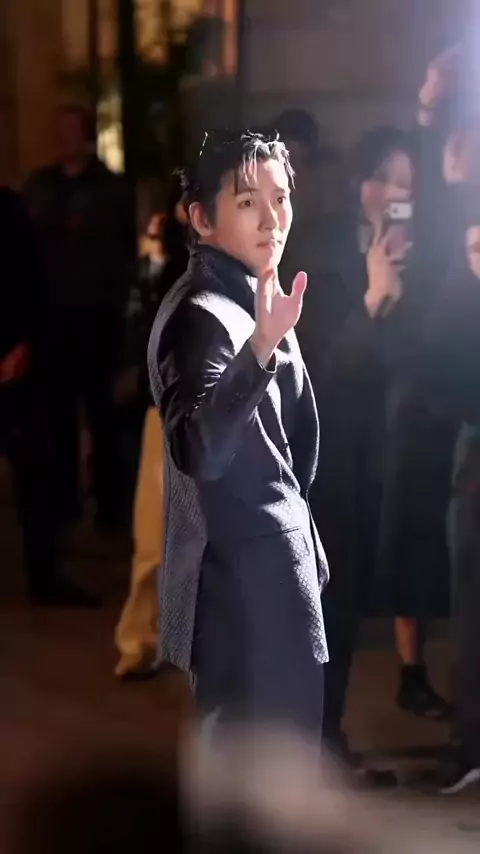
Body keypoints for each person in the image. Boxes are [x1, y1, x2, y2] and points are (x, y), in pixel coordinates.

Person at [148, 129, 328, 733]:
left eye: (280, 198)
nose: (272, 219)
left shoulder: (249, 294)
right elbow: (198, 449)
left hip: (267, 590)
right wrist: (259, 350)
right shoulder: (201, 313)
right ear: (201, 217)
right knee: (253, 780)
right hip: (243, 603)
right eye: (248, 201)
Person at [23, 104, 135, 528]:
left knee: (101, 412)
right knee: (58, 414)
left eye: (71, 130)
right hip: (53, 316)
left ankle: (108, 503)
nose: (64, 138)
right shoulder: (41, 188)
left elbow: (122, 249)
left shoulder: (109, 189)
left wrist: (115, 298)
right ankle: (64, 501)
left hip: (96, 314)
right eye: (60, 130)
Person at [0, 187, 95, 607]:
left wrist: (23, 344)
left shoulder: (7, 209)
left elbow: (30, 279)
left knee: (34, 471)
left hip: (12, 360)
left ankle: (44, 574)